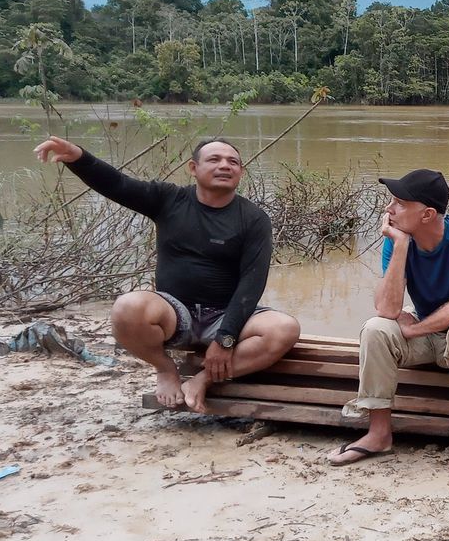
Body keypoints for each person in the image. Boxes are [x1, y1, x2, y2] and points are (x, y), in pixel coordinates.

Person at [33, 135, 300, 413]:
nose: (225, 166)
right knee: (127, 307)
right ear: (193, 168)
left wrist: (226, 338)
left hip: (225, 313)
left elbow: (252, 282)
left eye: (233, 162)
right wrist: (78, 157)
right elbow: (118, 185)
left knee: (284, 329)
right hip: (175, 314)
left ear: (241, 173)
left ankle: (202, 380)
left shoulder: (254, 218)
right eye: (214, 159)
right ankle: (165, 369)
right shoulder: (168, 199)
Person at [327, 169, 449, 486]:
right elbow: (386, 309)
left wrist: (414, 329)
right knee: (375, 329)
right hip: (431, 336)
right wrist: (399, 248)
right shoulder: (399, 238)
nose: (389, 210)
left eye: (398, 203)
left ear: (427, 214)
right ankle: (378, 433)